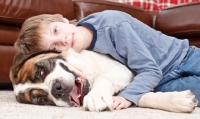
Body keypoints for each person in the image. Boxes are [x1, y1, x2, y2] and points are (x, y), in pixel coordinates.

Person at [14, 10, 200, 110]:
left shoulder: (113, 26)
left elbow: (150, 70)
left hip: (183, 57)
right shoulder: (79, 49)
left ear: (62, 19)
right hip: (161, 82)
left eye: (56, 31)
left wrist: (127, 97)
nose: (62, 40)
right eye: (54, 47)